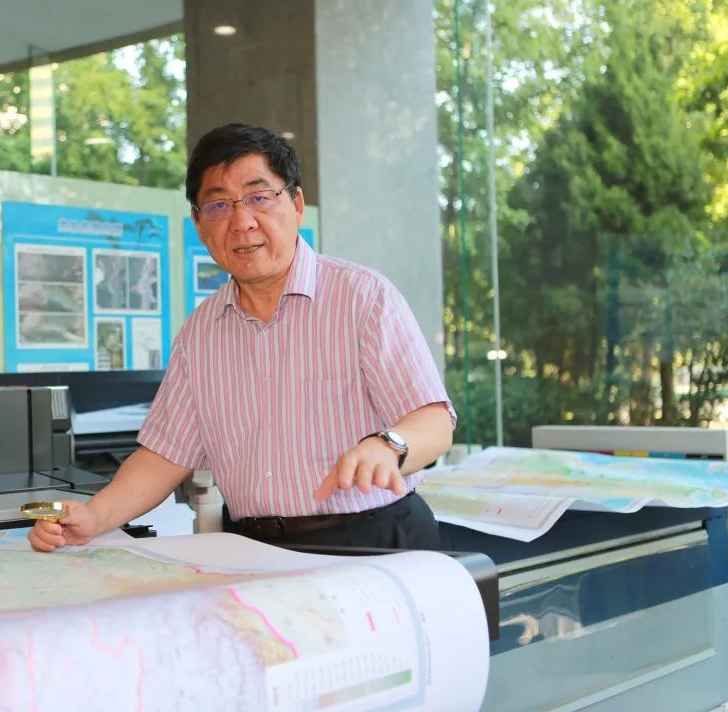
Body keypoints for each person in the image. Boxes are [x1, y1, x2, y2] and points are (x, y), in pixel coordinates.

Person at [29, 123, 455, 554]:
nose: (242, 222)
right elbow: (165, 454)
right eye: (218, 205)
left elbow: (434, 422)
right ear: (199, 226)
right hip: (253, 548)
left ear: (297, 204)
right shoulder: (200, 333)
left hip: (372, 539)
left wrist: (389, 446)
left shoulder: (363, 297)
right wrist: (94, 517)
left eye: (259, 197)